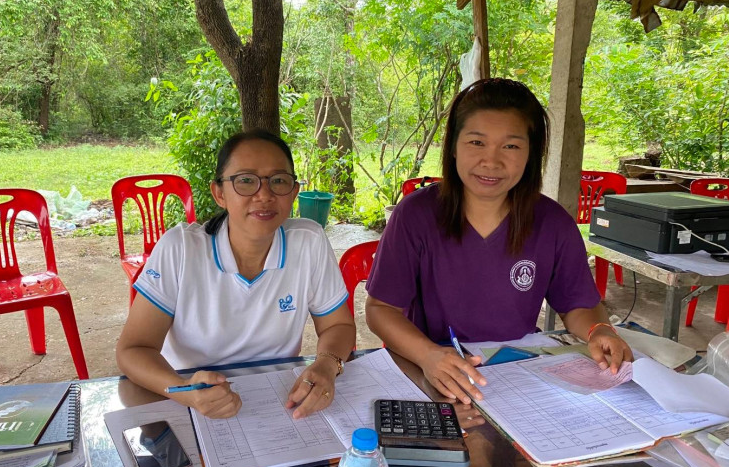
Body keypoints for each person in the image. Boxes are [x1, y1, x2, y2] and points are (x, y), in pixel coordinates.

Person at [365, 78, 632, 405]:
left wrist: (598, 330)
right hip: (432, 370)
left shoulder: (552, 223)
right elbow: (380, 309)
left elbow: (577, 304)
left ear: (531, 153)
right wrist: (428, 355)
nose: (491, 161)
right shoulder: (416, 214)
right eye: (476, 142)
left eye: (511, 146)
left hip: (516, 374)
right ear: (453, 146)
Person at [117, 129, 355, 420]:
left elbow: (338, 325)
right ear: (219, 193)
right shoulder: (181, 248)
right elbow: (133, 349)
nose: (264, 195)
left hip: (280, 402)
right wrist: (184, 391)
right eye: (245, 181)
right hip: (189, 400)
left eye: (278, 181)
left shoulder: (309, 241)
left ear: (294, 192)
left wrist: (327, 364)